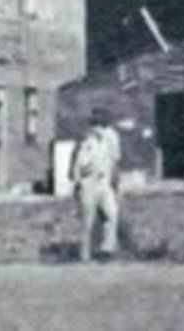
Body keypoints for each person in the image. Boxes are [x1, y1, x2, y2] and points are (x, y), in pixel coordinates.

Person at [69, 109, 119, 262]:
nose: (99, 129)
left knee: (112, 214)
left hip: (104, 183)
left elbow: (112, 162)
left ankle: (107, 249)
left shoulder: (106, 143)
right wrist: (78, 183)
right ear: (91, 127)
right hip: (89, 183)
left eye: (101, 125)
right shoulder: (86, 143)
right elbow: (80, 166)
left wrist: (113, 181)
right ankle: (84, 254)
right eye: (96, 125)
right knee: (87, 221)